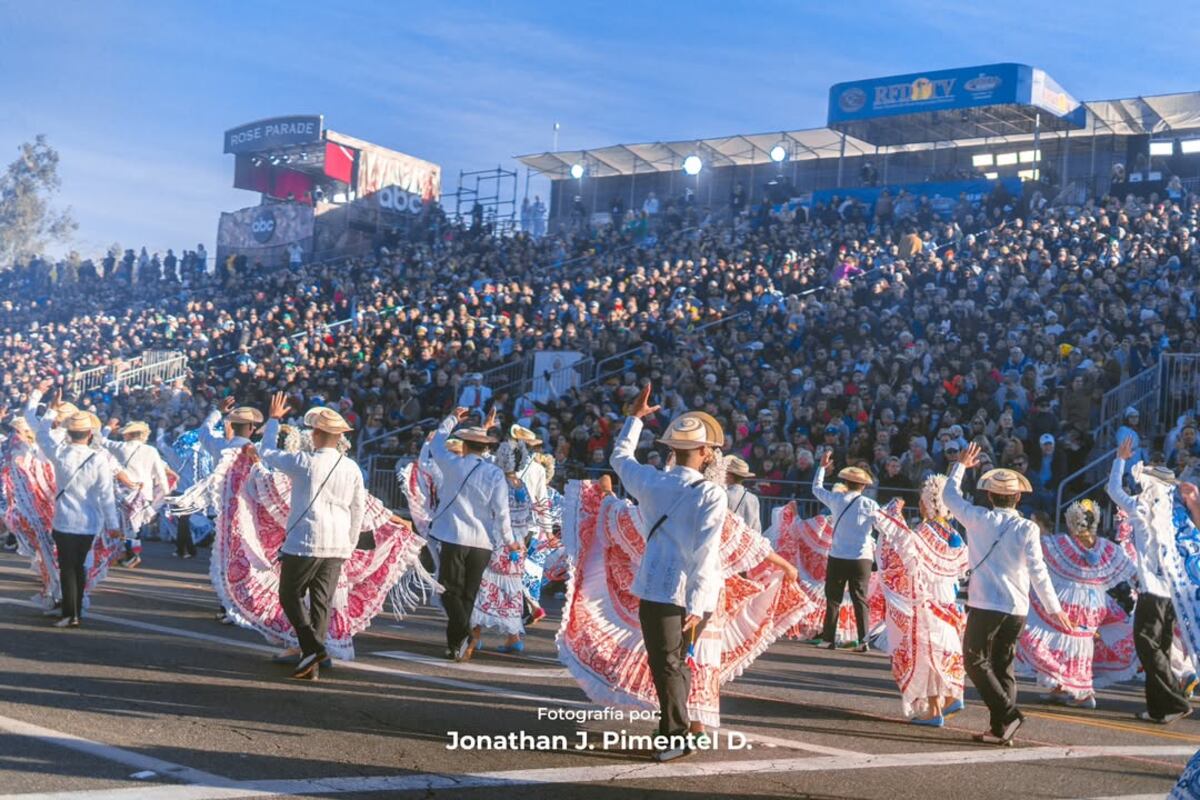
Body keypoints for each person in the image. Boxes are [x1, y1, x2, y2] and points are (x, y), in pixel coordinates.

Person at [609, 383, 727, 761]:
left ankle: (676, 732)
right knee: (676, 662)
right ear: (705, 454)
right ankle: (682, 727)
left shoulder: (651, 480)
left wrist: (634, 420)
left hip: (659, 588)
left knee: (667, 663)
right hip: (694, 593)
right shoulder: (711, 494)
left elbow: (619, 457)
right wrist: (697, 600)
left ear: (674, 451)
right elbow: (704, 553)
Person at [942, 442, 1069, 745]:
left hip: (986, 603)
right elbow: (1038, 571)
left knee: (974, 661)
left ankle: (1008, 714)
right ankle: (1001, 730)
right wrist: (1054, 608)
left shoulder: (978, 518)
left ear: (989, 495)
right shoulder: (1028, 528)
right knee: (1003, 665)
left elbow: (948, 496)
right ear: (1017, 498)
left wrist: (960, 465)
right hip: (1016, 607)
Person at [248, 394, 366, 681]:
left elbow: (266, 452)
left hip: (305, 540)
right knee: (321, 601)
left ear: (316, 434)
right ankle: (312, 655)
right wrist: (349, 544)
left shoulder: (305, 461)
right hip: (337, 543)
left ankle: (311, 647)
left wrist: (273, 420)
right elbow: (357, 508)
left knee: (289, 595)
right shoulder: (351, 467)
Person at [1016, 498, 1135, 710]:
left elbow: (1034, 552)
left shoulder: (1060, 544)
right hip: (1094, 604)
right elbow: (1129, 568)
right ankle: (1061, 688)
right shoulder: (1106, 548)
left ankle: (1084, 693)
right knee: (1078, 643)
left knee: (1046, 636)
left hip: (1068, 601)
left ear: (1072, 522)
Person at [1107, 436, 1193, 724]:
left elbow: (1113, 490)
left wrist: (1120, 460)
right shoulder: (1177, 514)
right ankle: (1159, 709)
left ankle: (1175, 699)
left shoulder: (1141, 509)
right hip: (1173, 593)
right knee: (1161, 647)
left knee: (1146, 644)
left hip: (1152, 591)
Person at [873, 475, 969, 726]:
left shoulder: (922, 533)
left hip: (926, 600)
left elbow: (903, 553)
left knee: (925, 652)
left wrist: (894, 515)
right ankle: (949, 697)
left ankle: (934, 709)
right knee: (943, 650)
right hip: (949, 603)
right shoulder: (954, 535)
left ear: (926, 504)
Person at [428, 408, 517, 661]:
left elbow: (436, 443)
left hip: (454, 537)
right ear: (484, 448)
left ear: (464, 446)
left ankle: (463, 635)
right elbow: (502, 512)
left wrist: (452, 418)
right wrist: (510, 542)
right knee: (467, 594)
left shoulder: (453, 464)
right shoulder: (494, 472)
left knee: (448, 591)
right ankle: (456, 645)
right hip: (482, 542)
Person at [31, 408, 121, 628]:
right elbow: (106, 495)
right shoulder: (98, 458)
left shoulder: (60, 453)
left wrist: (52, 409)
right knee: (79, 568)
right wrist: (113, 525)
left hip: (64, 521)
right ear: (90, 433)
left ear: (69, 433)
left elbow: (41, 434)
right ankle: (76, 612)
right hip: (89, 523)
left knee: (67, 568)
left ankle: (69, 614)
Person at [811, 451, 880, 652]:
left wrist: (822, 467)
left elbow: (816, 488)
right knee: (860, 599)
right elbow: (881, 527)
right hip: (862, 557)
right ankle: (863, 640)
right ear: (864, 486)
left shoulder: (836, 500)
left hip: (838, 555)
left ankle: (828, 639)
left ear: (846, 483)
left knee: (833, 599)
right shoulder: (870, 504)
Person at [100, 420, 172, 569]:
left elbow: (99, 441)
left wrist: (107, 428)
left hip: (122, 493)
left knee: (123, 526)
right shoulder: (151, 451)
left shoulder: (119, 447)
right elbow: (160, 475)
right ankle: (131, 555)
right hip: (144, 493)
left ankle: (130, 555)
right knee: (135, 527)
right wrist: (164, 496)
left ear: (129, 434)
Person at [724, 456, 761, 533]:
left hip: (728, 537)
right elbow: (756, 526)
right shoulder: (753, 498)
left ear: (730, 476)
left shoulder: (724, 494)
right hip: (746, 539)